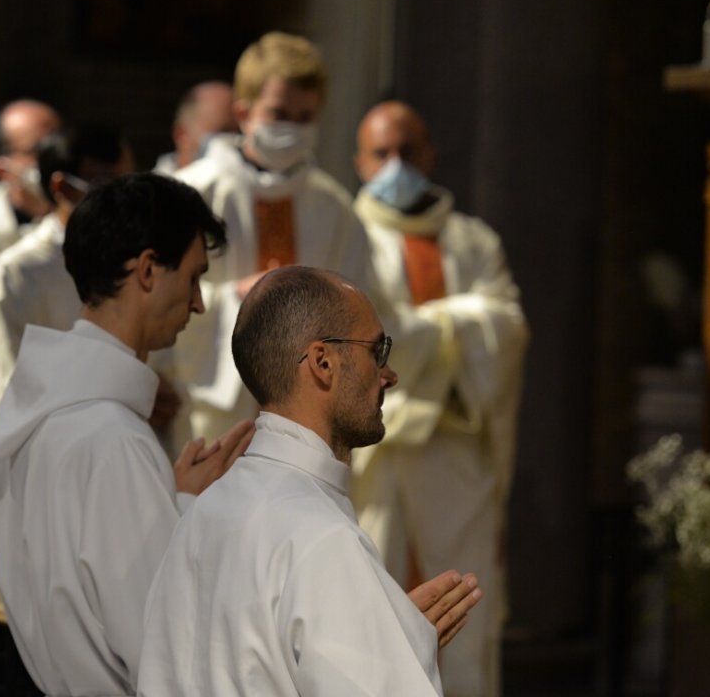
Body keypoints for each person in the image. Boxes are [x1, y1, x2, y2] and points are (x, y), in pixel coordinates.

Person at [139, 266, 482, 696]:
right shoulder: (323, 539)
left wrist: (385, 639)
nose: (389, 375)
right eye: (377, 350)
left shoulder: (199, 515)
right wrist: (394, 658)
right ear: (322, 362)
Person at [0, 173, 256, 696]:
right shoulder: (113, 440)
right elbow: (161, 645)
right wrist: (196, 515)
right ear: (148, 270)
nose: (198, 303)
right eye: (193, 278)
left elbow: (85, 597)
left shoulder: (40, 412)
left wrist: (179, 502)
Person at [350, 100, 529, 697]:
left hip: (457, 448)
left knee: (465, 616)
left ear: (430, 155)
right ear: (360, 161)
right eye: (382, 153)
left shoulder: (473, 240)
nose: (397, 164)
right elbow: (372, 337)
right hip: (380, 452)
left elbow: (507, 327)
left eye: (407, 151)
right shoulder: (350, 237)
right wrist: (457, 326)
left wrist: (427, 328)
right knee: (369, 610)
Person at [0, 133, 122, 600]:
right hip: (43, 484)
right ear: (61, 186)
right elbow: (9, 390)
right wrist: (121, 394)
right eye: (102, 184)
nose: (117, 199)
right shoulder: (18, 274)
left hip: (117, 475)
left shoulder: (129, 265)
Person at [169, 32, 383, 443]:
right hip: (209, 416)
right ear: (243, 112)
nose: (292, 129)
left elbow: (361, 314)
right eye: (278, 114)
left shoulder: (336, 210)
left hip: (310, 418)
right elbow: (161, 300)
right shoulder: (192, 194)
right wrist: (239, 299)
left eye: (305, 118)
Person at [0, 99, 61, 254]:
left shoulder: (83, 216)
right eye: (40, 151)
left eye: (59, 148)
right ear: (1, 170)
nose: (57, 160)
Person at [153, 81, 238, 175]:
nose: (236, 141)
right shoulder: (148, 189)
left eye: (238, 132)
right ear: (182, 135)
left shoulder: (248, 183)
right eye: (223, 132)